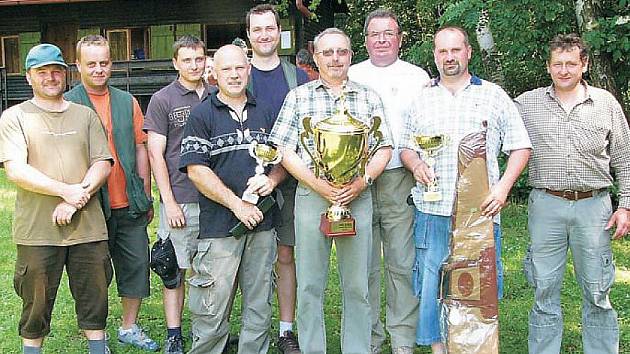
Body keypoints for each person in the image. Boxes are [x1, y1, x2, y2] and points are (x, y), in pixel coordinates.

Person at [399, 26, 531, 354]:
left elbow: (521, 147)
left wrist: (502, 189)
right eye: (442, 52)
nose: (449, 57)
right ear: (435, 56)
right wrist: (415, 164)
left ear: (468, 52)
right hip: (434, 211)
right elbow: (405, 146)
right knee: (433, 288)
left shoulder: (494, 95)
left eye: (455, 50)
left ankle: (476, 349)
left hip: (479, 216)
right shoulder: (420, 97)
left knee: (478, 289)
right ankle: (440, 350)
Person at [269, 27, 393, 354]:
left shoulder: (368, 97)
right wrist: (320, 185)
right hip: (312, 198)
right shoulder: (298, 97)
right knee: (310, 284)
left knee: (358, 285)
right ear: (316, 57)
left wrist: (360, 183)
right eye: (328, 53)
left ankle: (358, 349)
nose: (335, 58)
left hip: (358, 198)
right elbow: (283, 149)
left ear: (351, 56)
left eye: (341, 52)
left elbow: (385, 147)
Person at [515, 33, 630, 354]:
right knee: (544, 289)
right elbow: (491, 118)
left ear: (584, 65)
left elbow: (625, 157)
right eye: (557, 64)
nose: (564, 70)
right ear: (548, 67)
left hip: (595, 208)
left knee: (597, 290)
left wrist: (626, 207)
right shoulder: (526, 104)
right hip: (546, 206)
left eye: (571, 64)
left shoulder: (605, 103)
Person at [0, 43, 113, 354]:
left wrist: (77, 198)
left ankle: (98, 349)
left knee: (95, 297)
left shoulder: (85, 115)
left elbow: (102, 162)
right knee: (34, 302)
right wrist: (65, 191)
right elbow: (16, 171)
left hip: (87, 228)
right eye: (42, 72)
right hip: (37, 231)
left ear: (66, 74)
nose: (50, 77)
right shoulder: (15, 117)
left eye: (56, 71)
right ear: (29, 77)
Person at [180, 44, 283, 354]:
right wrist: (237, 204)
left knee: (259, 305)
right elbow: (196, 170)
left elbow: (281, 160)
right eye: (227, 69)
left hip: (263, 226)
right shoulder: (202, 114)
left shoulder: (266, 110)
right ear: (214, 74)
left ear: (248, 69)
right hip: (219, 228)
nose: (235, 74)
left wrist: (272, 179)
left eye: (240, 68)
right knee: (211, 307)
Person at [64, 35, 157, 352]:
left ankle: (129, 326)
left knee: (135, 267)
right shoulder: (68, 103)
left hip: (128, 202)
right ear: (78, 66)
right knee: (93, 274)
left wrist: (144, 190)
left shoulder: (126, 101)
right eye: (91, 63)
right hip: (91, 205)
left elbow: (141, 148)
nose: (99, 69)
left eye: (104, 62)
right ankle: (97, 334)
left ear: (111, 64)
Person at [348, 8, 430, 354]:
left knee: (401, 261)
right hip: (357, 180)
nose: (381, 40)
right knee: (362, 263)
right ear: (365, 39)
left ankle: (402, 341)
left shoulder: (417, 77)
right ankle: (368, 339)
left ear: (400, 38)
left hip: (401, 177)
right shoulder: (350, 74)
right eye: (375, 34)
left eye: (389, 33)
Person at [245, 4, 309, 353]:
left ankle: (286, 330)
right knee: (243, 258)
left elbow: (304, 135)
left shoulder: (296, 77)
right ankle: (245, 328)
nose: (264, 35)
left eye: (270, 28)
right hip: (244, 183)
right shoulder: (238, 72)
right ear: (249, 34)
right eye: (257, 29)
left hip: (289, 180)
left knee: (285, 254)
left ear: (279, 31)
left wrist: (278, 176)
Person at [144, 35, 212, 354]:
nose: (194, 65)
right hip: (180, 199)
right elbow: (156, 154)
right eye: (187, 60)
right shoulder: (162, 99)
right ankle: (174, 334)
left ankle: (206, 333)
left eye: (199, 59)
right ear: (175, 63)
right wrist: (168, 201)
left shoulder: (217, 94)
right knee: (174, 269)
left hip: (215, 199)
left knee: (208, 272)